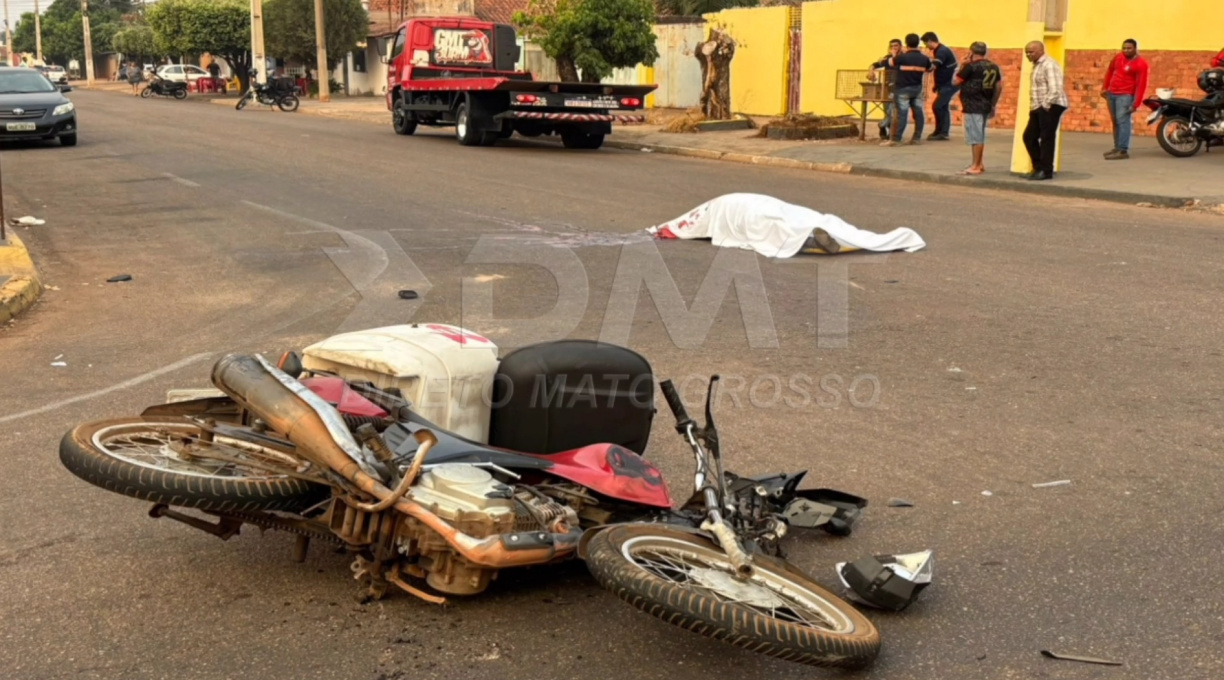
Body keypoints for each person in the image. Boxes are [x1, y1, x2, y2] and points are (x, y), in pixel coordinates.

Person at [954, 42, 1003, 175]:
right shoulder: (993, 66)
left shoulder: (970, 67)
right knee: (979, 135)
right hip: (985, 103)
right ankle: (979, 163)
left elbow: (956, 82)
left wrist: (962, 64)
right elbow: (998, 86)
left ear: (971, 52)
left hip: (972, 105)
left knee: (976, 137)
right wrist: (993, 103)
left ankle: (975, 165)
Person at [1022, 41, 1069, 181]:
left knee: (1047, 138)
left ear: (1041, 50)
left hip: (1051, 105)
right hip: (1038, 106)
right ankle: (1038, 167)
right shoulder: (1037, 65)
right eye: (1027, 52)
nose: (1029, 55)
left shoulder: (1049, 64)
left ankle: (1046, 170)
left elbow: (1055, 89)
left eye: (1032, 51)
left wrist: (1045, 106)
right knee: (1029, 137)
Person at [1099, 39, 1149, 160]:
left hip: (1125, 96)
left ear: (1135, 48)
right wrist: (1104, 88)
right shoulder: (1118, 57)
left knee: (1123, 122)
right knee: (1115, 121)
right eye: (1124, 48)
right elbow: (1110, 71)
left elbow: (1141, 85)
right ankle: (1117, 147)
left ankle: (1122, 150)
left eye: (1129, 48)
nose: (1126, 50)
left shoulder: (1141, 64)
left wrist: (1135, 104)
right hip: (1111, 94)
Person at [883, 34, 932, 147]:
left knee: (902, 114)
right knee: (918, 113)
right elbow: (930, 69)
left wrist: (893, 55)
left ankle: (896, 139)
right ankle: (916, 138)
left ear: (906, 43)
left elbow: (887, 63)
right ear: (918, 43)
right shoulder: (924, 58)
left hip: (902, 89)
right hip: (917, 89)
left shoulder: (902, 57)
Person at [921, 31, 959, 140]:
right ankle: (943, 132)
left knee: (937, 106)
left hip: (948, 84)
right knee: (943, 107)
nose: (926, 47)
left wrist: (922, 67)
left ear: (930, 41)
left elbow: (934, 66)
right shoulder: (941, 50)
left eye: (925, 43)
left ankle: (940, 132)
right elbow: (940, 70)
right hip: (946, 84)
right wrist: (937, 85)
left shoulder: (941, 51)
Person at [869, 38, 903, 140]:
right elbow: (875, 64)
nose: (893, 48)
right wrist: (870, 71)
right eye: (891, 46)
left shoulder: (904, 57)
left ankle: (882, 125)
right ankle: (887, 129)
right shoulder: (887, 58)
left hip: (900, 88)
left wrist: (894, 57)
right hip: (888, 87)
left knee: (894, 111)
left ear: (900, 46)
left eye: (896, 46)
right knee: (888, 112)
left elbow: (898, 66)